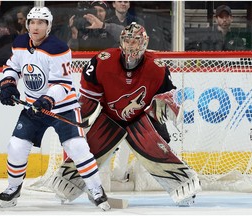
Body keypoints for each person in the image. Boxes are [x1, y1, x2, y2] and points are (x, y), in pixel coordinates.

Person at [51, 22, 201, 207]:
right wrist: (79, 118)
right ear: (121, 42)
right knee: (87, 151)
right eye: (128, 41)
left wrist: (168, 103)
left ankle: (184, 184)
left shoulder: (157, 67)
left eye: (136, 41)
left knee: (157, 151)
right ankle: (69, 183)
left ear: (144, 43)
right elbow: (89, 98)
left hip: (138, 119)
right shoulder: (102, 61)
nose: (131, 45)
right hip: (108, 118)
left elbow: (167, 96)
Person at [0, 6, 110, 211]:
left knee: (77, 148)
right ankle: (13, 188)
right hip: (33, 108)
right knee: (16, 146)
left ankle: (97, 190)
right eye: (32, 22)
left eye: (41, 23)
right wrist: (8, 84)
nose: (35, 26)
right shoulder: (20, 43)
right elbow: (12, 67)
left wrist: (48, 100)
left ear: (48, 27)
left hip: (63, 107)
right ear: (27, 25)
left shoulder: (58, 49)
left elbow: (63, 85)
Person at [186, 5, 251, 51]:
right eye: (221, 17)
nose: (224, 20)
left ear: (231, 18)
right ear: (216, 19)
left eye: (227, 16)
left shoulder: (237, 39)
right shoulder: (206, 37)